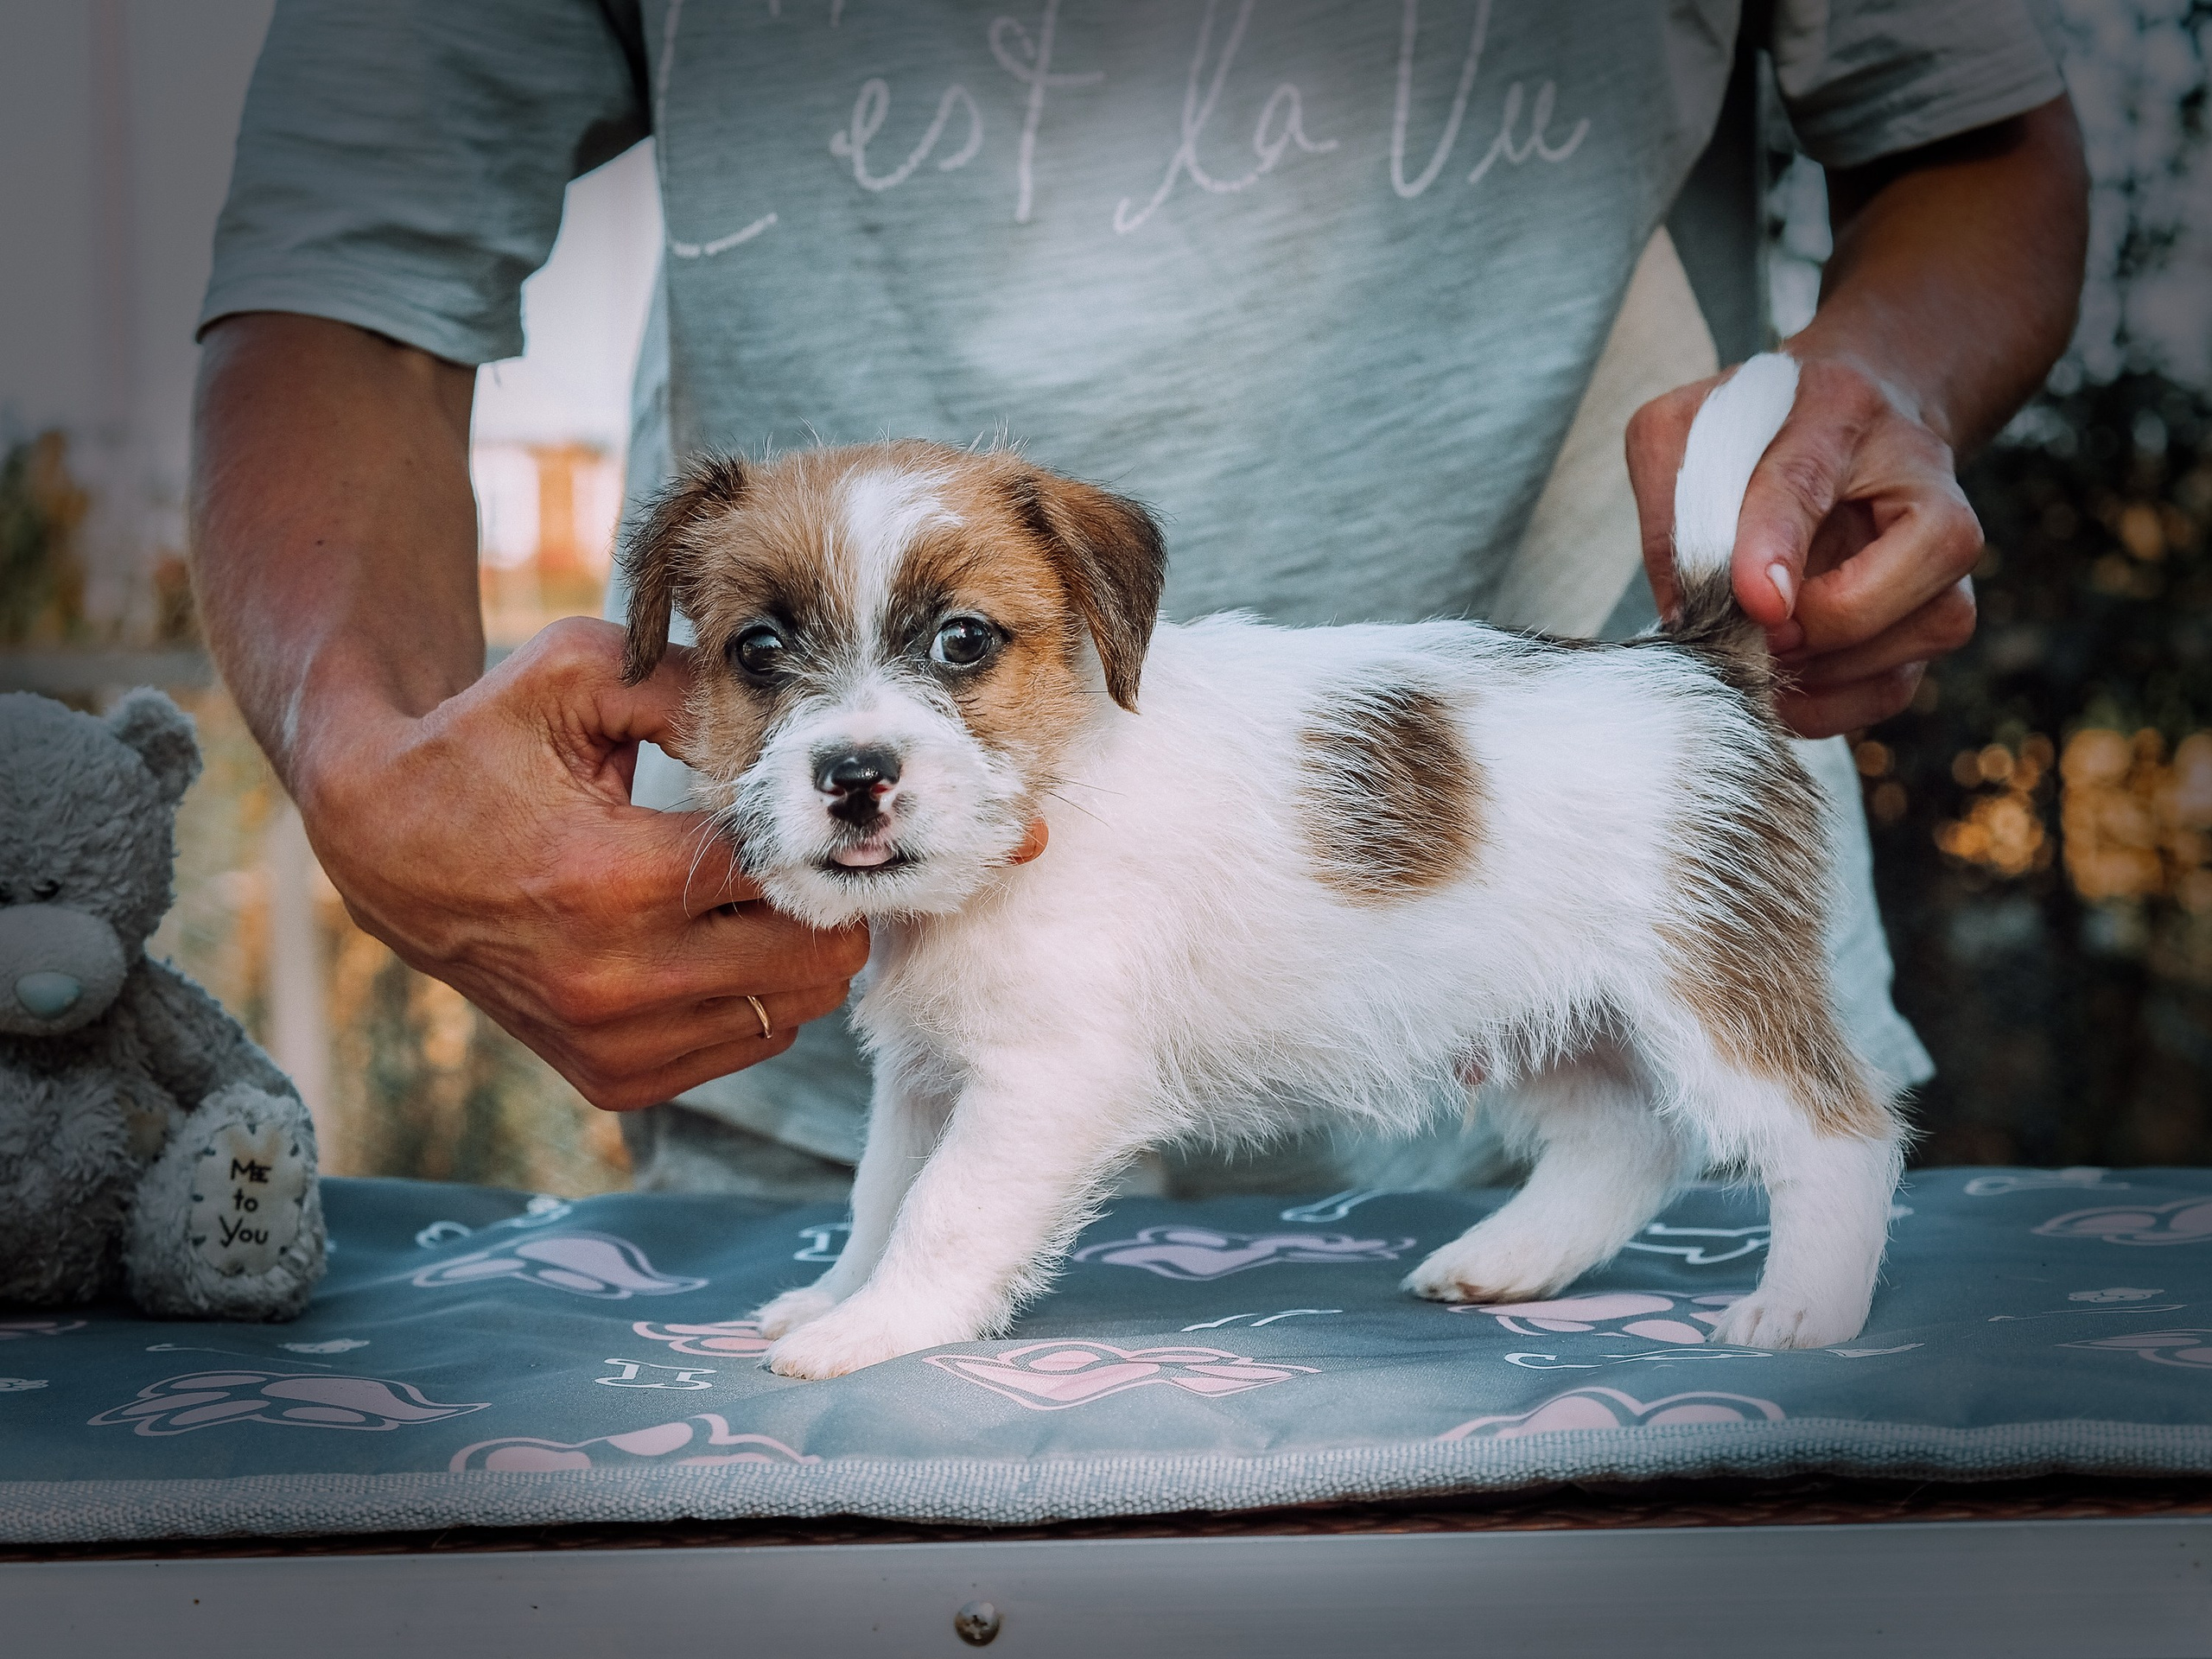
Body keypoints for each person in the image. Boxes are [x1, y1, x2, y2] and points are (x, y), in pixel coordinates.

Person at [190, 3, 2088, 1198]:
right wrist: (367, 766)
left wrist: (1886, 393)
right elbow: (344, 261)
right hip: (805, 1039)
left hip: (1576, 877)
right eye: (763, 649)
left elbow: (1970, 129)